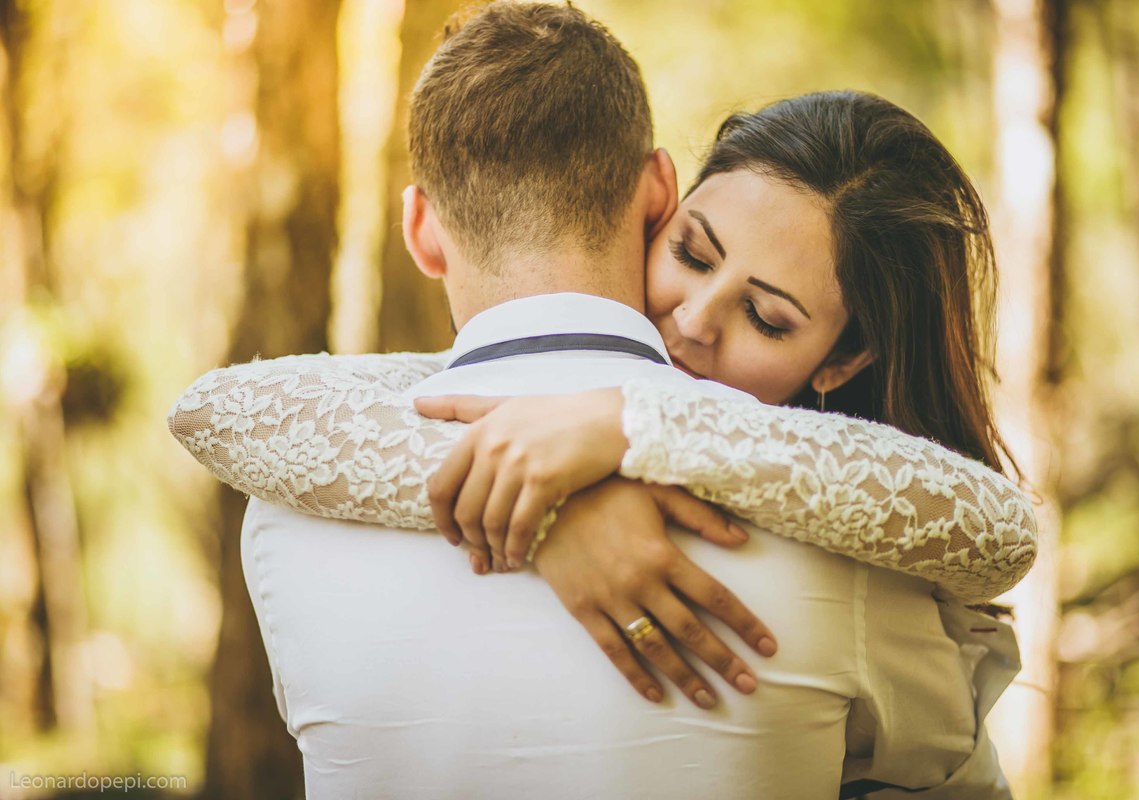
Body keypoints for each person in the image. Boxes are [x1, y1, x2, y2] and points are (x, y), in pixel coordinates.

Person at [168, 3, 1035, 798]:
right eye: (693, 254)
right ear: (663, 200)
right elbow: (215, 410)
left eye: (767, 319)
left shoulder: (288, 517)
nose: (693, 322)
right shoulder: (849, 585)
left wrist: (635, 425)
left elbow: (1001, 533)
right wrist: (542, 503)